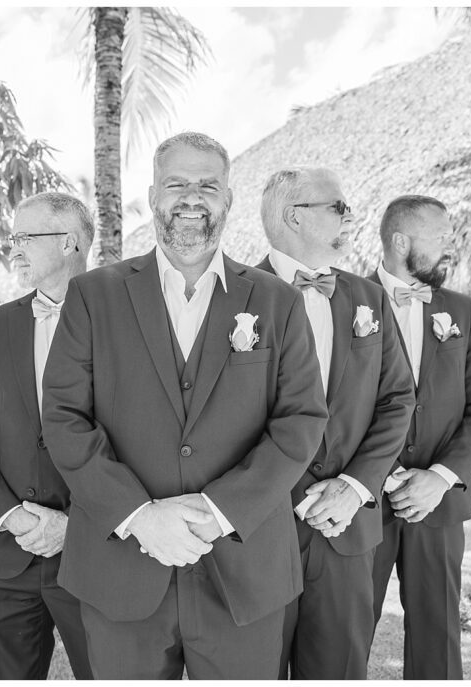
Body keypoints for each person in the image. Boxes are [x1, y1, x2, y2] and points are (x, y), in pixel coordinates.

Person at [41, 132, 328, 679]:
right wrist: (139, 516)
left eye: (208, 185)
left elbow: (301, 421)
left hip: (244, 572)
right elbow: (63, 417)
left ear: (228, 199)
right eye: (177, 184)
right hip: (121, 569)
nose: (191, 198)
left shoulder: (278, 301)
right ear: (153, 196)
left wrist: (216, 514)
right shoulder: (93, 296)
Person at [254, 168, 415, 679]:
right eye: (338, 207)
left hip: (347, 529)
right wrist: (289, 492)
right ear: (293, 216)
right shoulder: (234, 295)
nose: (350, 217)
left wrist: (353, 487)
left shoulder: (369, 299)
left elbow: (398, 399)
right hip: (260, 530)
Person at [0, 192, 94, 680]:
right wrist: (9, 515)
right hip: (2, 558)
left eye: (26, 237)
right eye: (14, 238)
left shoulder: (126, 319)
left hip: (96, 556)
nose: (14, 249)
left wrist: (77, 525)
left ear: (70, 242)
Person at [368, 195, 471, 679]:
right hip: (361, 504)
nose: (452, 246)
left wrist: (440, 478)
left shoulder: (461, 310)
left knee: (438, 639)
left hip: (440, 504)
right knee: (345, 632)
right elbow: (327, 407)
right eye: (441, 236)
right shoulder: (345, 301)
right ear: (401, 241)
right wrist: (381, 476)